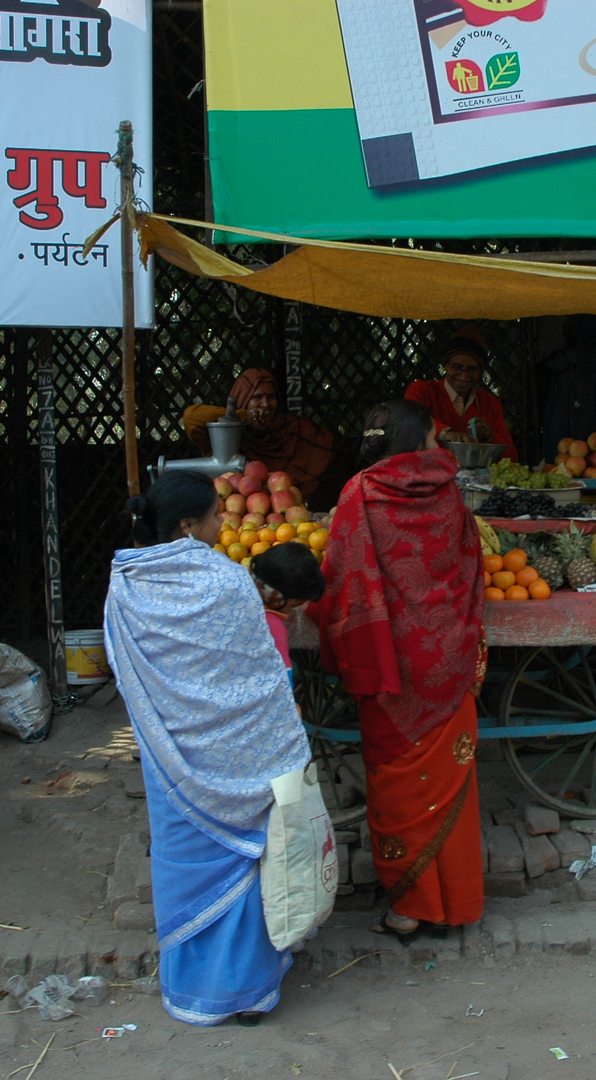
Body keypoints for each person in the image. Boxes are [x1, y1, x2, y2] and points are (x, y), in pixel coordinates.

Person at [103, 472, 309, 1027]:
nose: (225, 523)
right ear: (189, 526)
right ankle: (248, 990)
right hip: (241, 757)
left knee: (186, 863)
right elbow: (257, 675)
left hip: (171, 761)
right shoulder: (228, 582)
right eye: (216, 516)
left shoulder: (124, 584)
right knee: (244, 863)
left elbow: (131, 676)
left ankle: (194, 989)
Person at [314, 399, 486, 943]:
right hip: (446, 659)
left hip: (389, 663)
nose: (441, 447)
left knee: (396, 787)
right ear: (416, 442)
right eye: (435, 437)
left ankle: (410, 910)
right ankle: (454, 906)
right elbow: (470, 565)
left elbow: (341, 581)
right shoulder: (450, 492)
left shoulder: (359, 493)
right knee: (452, 784)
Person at [182, 369, 359, 509]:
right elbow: (191, 417)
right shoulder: (229, 436)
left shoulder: (294, 428)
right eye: (257, 397)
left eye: (271, 397)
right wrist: (242, 416)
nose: (266, 405)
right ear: (243, 400)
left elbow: (336, 454)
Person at [404, 323, 518, 460]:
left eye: (471, 369)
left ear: (480, 372)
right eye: (457, 367)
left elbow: (511, 456)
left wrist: (490, 435)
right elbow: (409, 422)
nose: (464, 376)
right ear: (445, 365)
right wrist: (446, 433)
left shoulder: (489, 403)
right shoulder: (422, 390)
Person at [250, 540, 325, 682]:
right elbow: (282, 684)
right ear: (276, 596)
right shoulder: (272, 626)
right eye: (292, 606)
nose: (290, 613)